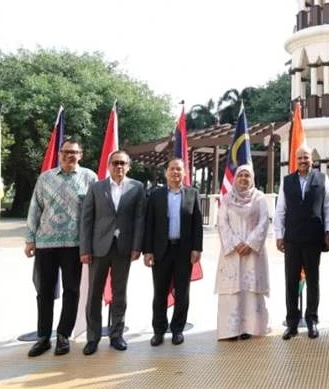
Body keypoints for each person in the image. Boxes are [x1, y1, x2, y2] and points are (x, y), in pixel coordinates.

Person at [25, 138, 98, 358]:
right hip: (46, 244)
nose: (70, 155)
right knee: (44, 291)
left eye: (74, 152)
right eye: (66, 151)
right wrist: (30, 239)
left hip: (75, 245)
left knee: (72, 291)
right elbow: (35, 209)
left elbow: (95, 213)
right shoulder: (45, 178)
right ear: (59, 154)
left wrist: (91, 244)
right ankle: (43, 337)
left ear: (81, 155)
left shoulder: (90, 178)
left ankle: (64, 335)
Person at [79, 149, 145, 355]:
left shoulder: (137, 187)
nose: (119, 167)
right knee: (94, 295)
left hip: (123, 249)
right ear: (109, 166)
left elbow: (139, 219)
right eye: (115, 163)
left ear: (128, 167)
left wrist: (137, 246)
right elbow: (86, 220)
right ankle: (92, 338)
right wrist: (85, 248)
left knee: (119, 294)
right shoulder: (96, 187)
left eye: (122, 163)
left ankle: (116, 335)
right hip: (98, 249)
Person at [143, 157, 203, 347]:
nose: (175, 172)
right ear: (166, 172)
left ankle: (177, 329)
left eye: (179, 169)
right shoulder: (155, 195)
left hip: (184, 251)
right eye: (172, 169)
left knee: (182, 292)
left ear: (185, 173)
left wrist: (197, 248)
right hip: (162, 250)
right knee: (159, 292)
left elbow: (197, 224)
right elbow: (149, 224)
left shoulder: (193, 194)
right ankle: (159, 330)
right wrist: (148, 251)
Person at [275, 145, 329, 340]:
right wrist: (279, 234)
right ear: (295, 160)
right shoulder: (287, 181)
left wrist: (328, 232)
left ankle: (312, 321)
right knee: (291, 281)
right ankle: (292, 323)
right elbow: (280, 209)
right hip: (292, 238)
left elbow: (328, 207)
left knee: (313, 281)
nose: (302, 161)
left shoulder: (322, 179)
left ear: (312, 159)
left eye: (306, 158)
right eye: (299, 158)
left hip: (313, 238)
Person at [215, 164, 270, 340]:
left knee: (251, 290)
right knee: (232, 291)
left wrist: (250, 243)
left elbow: (264, 222)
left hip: (253, 253)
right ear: (235, 178)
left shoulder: (259, 198)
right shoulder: (227, 199)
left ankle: (250, 328)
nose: (244, 179)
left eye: (247, 175)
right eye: (240, 176)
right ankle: (231, 330)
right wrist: (236, 243)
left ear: (252, 178)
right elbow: (222, 223)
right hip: (232, 253)